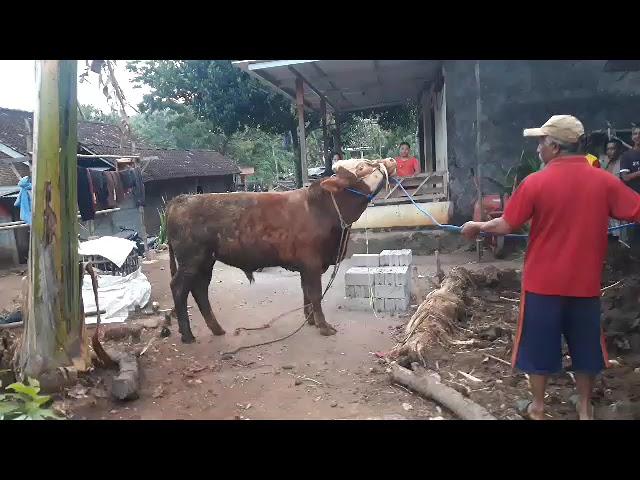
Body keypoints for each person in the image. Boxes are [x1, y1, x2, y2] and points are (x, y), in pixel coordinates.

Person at [460, 115, 640, 420]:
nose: (538, 147)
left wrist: (477, 226)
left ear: (555, 146)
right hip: (585, 284)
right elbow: (635, 210)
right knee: (586, 347)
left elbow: (506, 224)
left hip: (543, 284)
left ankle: (539, 407)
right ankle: (584, 407)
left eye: (542, 142)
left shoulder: (536, 182)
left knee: (538, 346)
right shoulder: (604, 180)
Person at [619, 127, 640, 245]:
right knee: (633, 235)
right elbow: (625, 177)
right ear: (632, 137)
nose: (638, 136)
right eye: (635, 134)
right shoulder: (627, 156)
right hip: (634, 200)